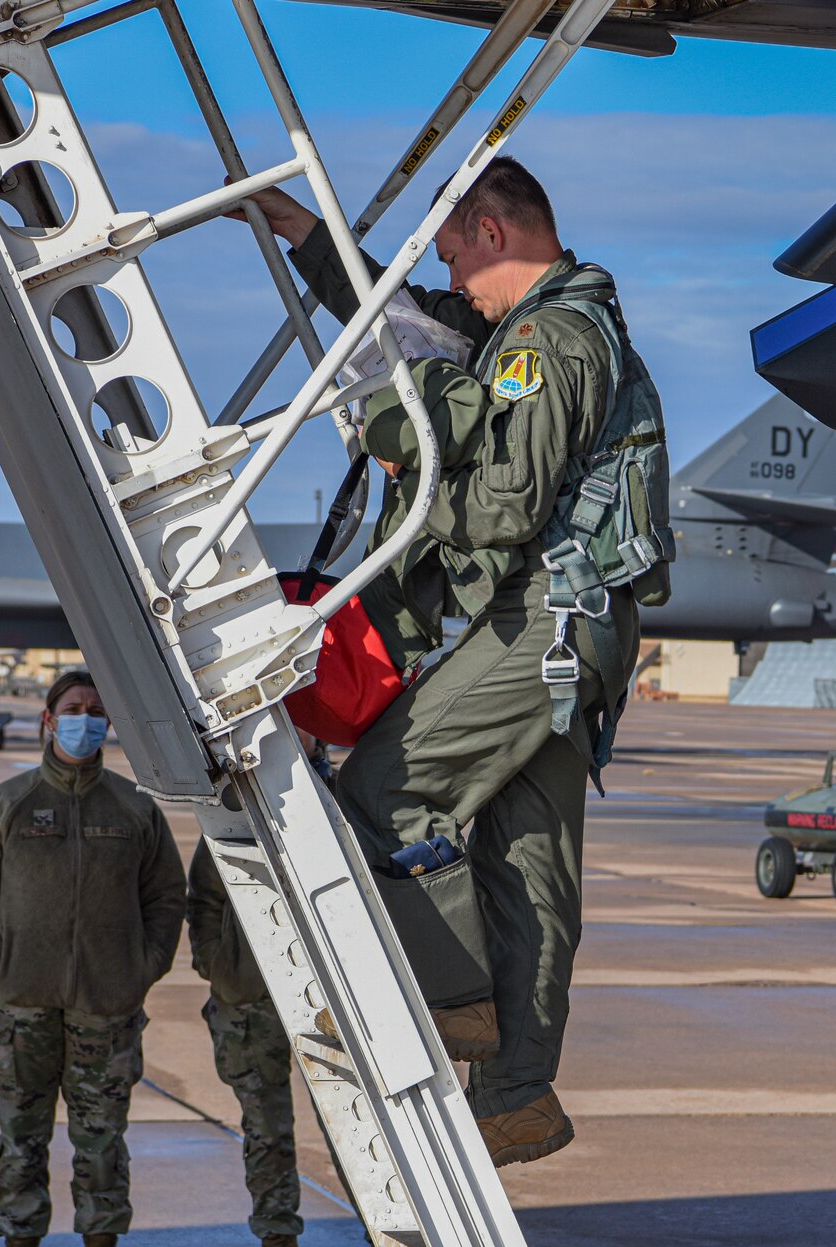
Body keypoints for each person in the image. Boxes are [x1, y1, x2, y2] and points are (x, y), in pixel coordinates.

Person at [238, 155, 661, 1166]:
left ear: (491, 230)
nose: (448, 275)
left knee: (387, 791)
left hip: (542, 618)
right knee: (526, 870)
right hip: (572, 632)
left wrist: (409, 474)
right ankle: (517, 1092)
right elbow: (402, 320)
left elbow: (508, 509)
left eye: (453, 252)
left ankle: (457, 1004)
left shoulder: (548, 342)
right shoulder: (522, 328)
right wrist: (304, 231)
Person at [0, 670, 186, 1247]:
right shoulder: (8, 805)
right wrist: (1, 963)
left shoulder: (135, 809)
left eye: (95, 711)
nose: (86, 719)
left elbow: (166, 896)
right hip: (20, 1016)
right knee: (21, 1146)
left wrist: (144, 966)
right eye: (74, 709)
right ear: (49, 721)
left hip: (105, 1011)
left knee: (101, 1149)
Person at [186, 840, 305, 1247]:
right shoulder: (235, 809)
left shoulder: (345, 804)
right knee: (267, 1137)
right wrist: (219, 966)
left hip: (340, 1004)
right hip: (251, 999)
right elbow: (204, 897)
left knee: (362, 1146)